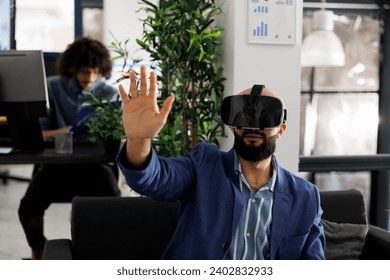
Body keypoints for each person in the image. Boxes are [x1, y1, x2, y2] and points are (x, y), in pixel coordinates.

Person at [116, 66, 325, 260]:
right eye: (243, 116)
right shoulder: (203, 165)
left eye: (265, 118)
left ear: (280, 130)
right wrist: (139, 140)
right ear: (233, 127)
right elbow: (154, 178)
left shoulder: (305, 197)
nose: (253, 127)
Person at [18, 37, 120, 260]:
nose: (90, 78)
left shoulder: (110, 93)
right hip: (58, 166)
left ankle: (100, 255)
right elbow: (39, 134)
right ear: (73, 69)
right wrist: (67, 131)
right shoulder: (53, 87)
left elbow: (116, 137)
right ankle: (40, 248)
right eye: (84, 72)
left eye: (95, 72)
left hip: (94, 167)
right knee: (27, 208)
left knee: (114, 202)